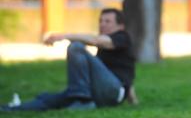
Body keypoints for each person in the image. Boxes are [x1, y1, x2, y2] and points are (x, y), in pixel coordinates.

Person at [1, 8, 137, 111]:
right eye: (100, 21)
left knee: (76, 47)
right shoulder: (105, 49)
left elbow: (96, 40)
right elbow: (127, 77)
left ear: (120, 26)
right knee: (50, 99)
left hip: (111, 91)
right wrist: (134, 101)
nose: (102, 24)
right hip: (101, 93)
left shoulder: (122, 37)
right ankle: (12, 108)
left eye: (107, 21)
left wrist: (63, 36)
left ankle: (82, 100)